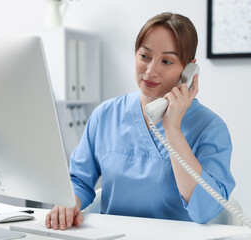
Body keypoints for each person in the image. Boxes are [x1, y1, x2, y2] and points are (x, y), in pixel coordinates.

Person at [46, 12, 235, 230]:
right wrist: (68, 204)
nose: (150, 71)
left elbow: (205, 210)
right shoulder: (106, 115)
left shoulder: (210, 128)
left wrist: (172, 130)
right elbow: (78, 181)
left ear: (188, 70)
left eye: (166, 61)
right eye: (144, 56)